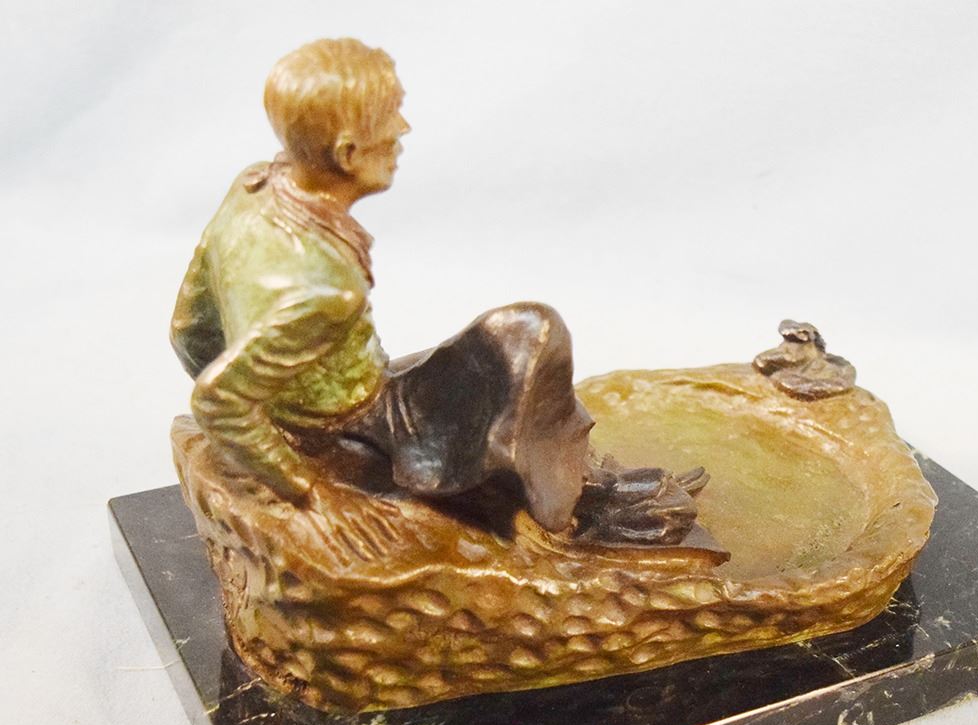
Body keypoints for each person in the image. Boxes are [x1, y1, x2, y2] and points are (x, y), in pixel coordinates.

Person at [170, 38, 703, 542]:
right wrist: (306, 483)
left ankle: (572, 474)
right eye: (390, 117)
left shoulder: (253, 186)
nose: (402, 129)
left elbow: (188, 328)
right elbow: (217, 400)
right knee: (532, 336)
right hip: (359, 420)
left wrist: (272, 402)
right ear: (349, 153)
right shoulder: (326, 290)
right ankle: (574, 512)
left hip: (327, 395)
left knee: (510, 343)